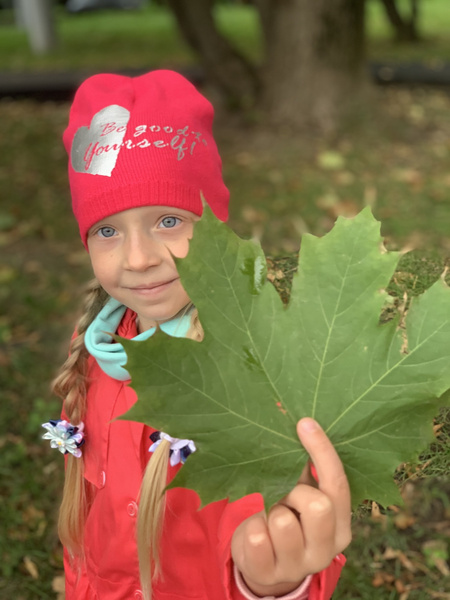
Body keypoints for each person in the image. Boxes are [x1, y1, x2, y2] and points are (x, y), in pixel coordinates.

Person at [44, 70, 352, 600]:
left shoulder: (259, 372)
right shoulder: (97, 349)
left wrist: (276, 583)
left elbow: (286, 530)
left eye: (168, 221)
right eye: (108, 230)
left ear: (214, 227)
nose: (138, 259)